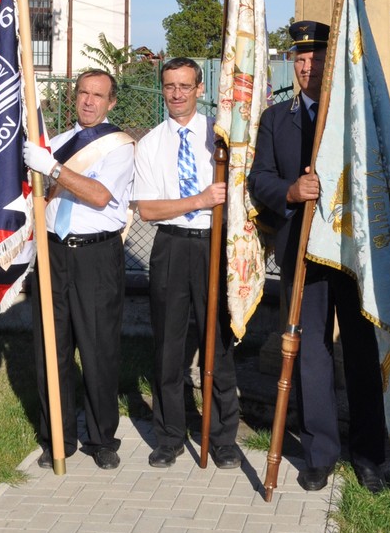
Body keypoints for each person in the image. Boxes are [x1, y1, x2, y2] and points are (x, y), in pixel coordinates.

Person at [248, 21, 387, 493]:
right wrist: (291, 190)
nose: (308, 67)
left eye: (317, 59)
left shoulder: (356, 117)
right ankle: (319, 453)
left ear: (332, 63)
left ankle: (368, 455)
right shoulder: (276, 118)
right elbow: (259, 178)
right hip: (303, 253)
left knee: (361, 353)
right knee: (309, 353)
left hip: (351, 253)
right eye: (301, 60)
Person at [23, 70, 135, 470]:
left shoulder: (119, 146)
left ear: (111, 102)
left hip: (96, 255)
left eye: (98, 95)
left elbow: (100, 195)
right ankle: (58, 437)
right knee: (51, 349)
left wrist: (52, 169)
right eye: (83, 93)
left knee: (98, 348)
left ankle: (102, 438)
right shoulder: (54, 144)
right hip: (53, 252)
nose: (89, 101)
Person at [133, 57, 240, 469]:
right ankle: (169, 436)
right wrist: (199, 200)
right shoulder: (150, 143)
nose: (176, 94)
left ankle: (223, 438)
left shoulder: (220, 137)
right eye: (169, 86)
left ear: (199, 88)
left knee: (218, 343)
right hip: (172, 247)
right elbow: (148, 209)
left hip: (214, 245)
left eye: (184, 86)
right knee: (168, 346)